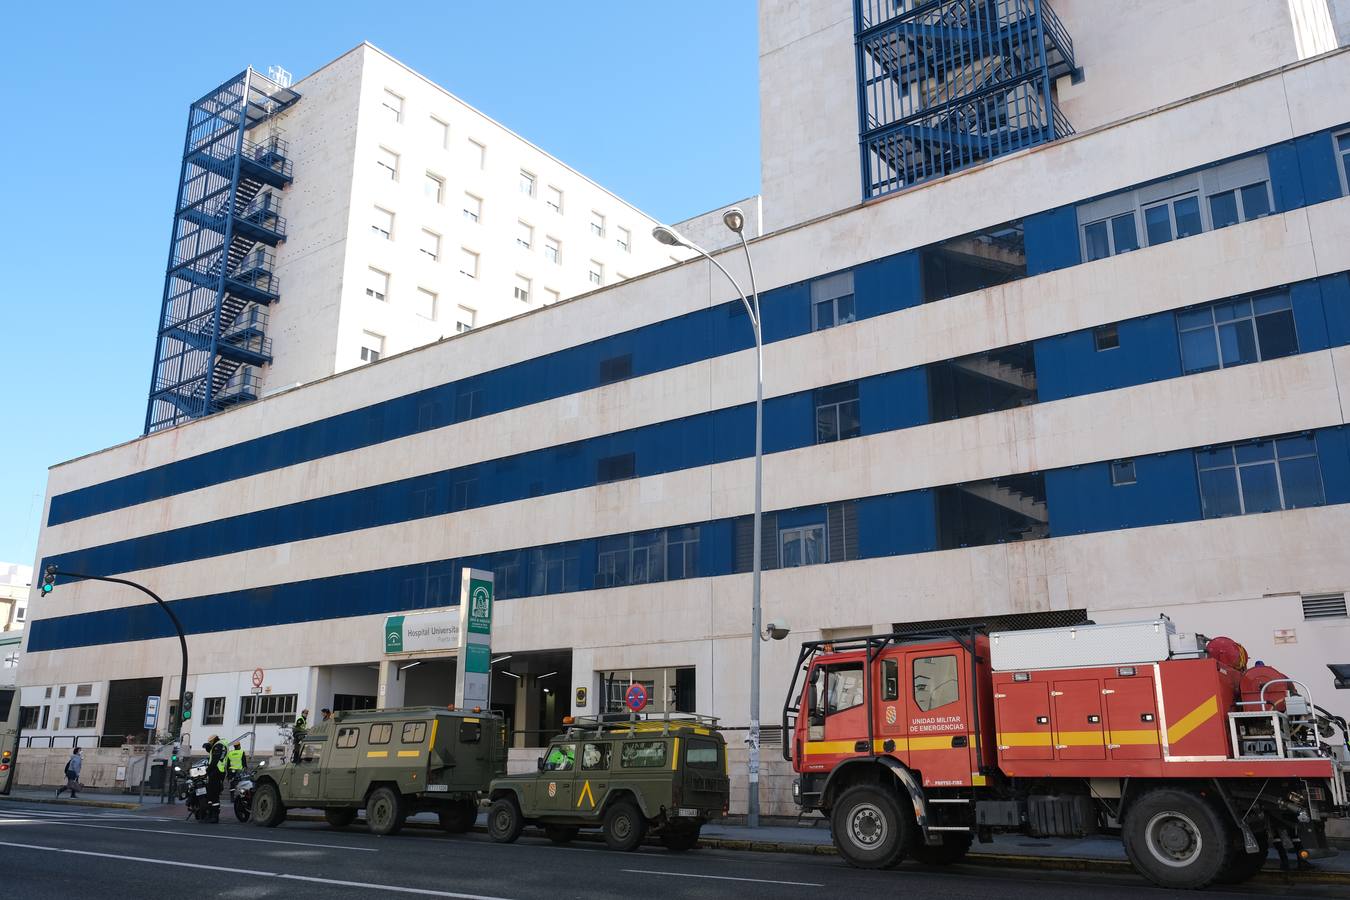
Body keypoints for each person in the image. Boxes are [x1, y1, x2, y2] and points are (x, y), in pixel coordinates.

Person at [203, 735, 227, 823]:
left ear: (214, 740)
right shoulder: (221, 745)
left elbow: (215, 760)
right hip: (218, 772)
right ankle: (210, 814)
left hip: (216, 771)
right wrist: (209, 749)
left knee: (213, 795)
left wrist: (207, 770)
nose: (210, 743)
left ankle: (214, 816)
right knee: (211, 794)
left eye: (210, 742)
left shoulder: (218, 745)